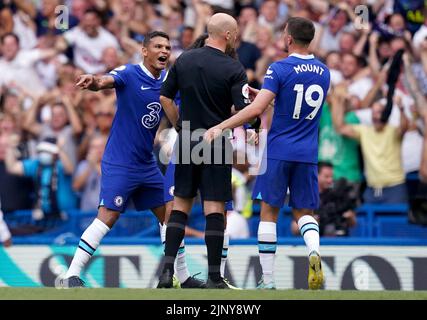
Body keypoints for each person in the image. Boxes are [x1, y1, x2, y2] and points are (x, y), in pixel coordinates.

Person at [205, 17, 331, 290]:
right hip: (308, 152)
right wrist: (266, 93)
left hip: (278, 150)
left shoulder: (279, 68)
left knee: (269, 213)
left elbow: (254, 110)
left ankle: (269, 280)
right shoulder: (324, 71)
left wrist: (221, 125)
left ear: (288, 39)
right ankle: (314, 251)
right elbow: (297, 102)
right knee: (304, 212)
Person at [60, 31, 172, 288]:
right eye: (157, 46)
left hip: (146, 163)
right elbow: (106, 81)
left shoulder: (168, 81)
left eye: (167, 46)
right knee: (108, 216)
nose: (164, 51)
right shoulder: (131, 73)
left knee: (170, 216)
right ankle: (71, 275)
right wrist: (94, 81)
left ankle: (177, 276)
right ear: (144, 51)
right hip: (121, 161)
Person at [158, 13, 253, 289]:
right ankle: (214, 277)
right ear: (228, 35)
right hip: (217, 140)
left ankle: (166, 273)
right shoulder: (234, 68)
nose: (235, 37)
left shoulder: (184, 59)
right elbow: (240, 109)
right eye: (234, 33)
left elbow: (165, 96)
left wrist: (178, 124)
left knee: (180, 207)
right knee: (214, 209)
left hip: (188, 138)